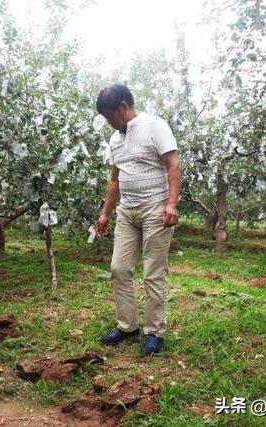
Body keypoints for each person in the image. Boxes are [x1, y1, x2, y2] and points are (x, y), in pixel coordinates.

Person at [95, 84, 181, 356]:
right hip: (127, 211)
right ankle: (127, 326)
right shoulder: (115, 140)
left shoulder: (154, 126)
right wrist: (105, 212)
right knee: (119, 268)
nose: (109, 122)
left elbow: (173, 165)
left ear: (123, 106)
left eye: (110, 116)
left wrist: (171, 204)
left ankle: (155, 332)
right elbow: (114, 180)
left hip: (155, 209)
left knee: (153, 273)